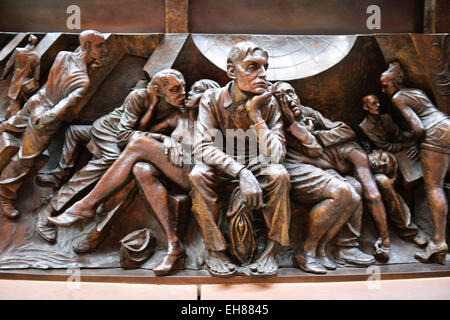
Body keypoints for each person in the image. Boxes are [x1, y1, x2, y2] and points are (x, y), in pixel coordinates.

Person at [48, 79, 220, 275]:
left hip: (195, 176)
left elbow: (216, 157)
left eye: (196, 91)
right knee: (140, 168)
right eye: (190, 89)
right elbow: (139, 137)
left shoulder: (212, 124)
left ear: (208, 97)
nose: (188, 93)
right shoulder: (177, 118)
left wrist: (179, 147)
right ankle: (174, 246)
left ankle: (87, 205)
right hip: (171, 175)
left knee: (139, 145)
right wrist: (165, 139)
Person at [35, 69, 186, 244]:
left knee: (131, 171)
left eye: (183, 87)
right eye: (175, 89)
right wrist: (159, 135)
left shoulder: (177, 108)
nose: (183, 93)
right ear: (158, 91)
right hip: (109, 131)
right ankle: (48, 210)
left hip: (134, 143)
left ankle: (97, 226)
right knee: (114, 162)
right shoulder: (138, 97)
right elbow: (123, 135)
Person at [188, 41, 291, 277]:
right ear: (232, 71)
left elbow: (277, 155)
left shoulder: (269, 103)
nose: (262, 74)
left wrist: (256, 114)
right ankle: (215, 251)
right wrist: (241, 172)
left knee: (280, 175)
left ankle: (272, 251)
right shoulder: (211, 99)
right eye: (252, 67)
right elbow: (202, 147)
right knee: (197, 175)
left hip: (260, 163)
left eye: (265, 67)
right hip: (224, 165)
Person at [0, 30, 107, 219]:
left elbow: (59, 81)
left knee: (7, 126)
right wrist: (45, 119)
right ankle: (4, 195)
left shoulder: (63, 55)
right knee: (24, 159)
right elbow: (63, 106)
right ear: (87, 46)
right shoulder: (83, 81)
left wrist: (89, 64)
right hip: (45, 118)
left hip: (36, 101)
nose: (104, 50)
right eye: (99, 46)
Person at [274, 81, 375, 273]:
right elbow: (314, 150)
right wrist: (295, 128)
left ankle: (344, 247)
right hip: (293, 169)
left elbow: (346, 131)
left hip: (318, 169)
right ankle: (307, 252)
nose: (289, 100)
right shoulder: (277, 119)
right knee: (342, 191)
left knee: (355, 188)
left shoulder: (307, 113)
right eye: (281, 96)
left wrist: (317, 135)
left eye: (291, 93)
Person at [380, 61, 450, 264]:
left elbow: (418, 128)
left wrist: (417, 145)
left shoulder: (398, 97)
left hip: (433, 134)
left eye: (386, 85)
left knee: (435, 188)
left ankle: (439, 241)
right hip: (446, 125)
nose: (384, 90)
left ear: (394, 82)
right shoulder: (415, 91)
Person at [34, 80, 148, 189]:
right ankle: (60, 175)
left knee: (109, 158)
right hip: (102, 129)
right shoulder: (133, 99)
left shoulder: (139, 103)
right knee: (73, 131)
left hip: (111, 136)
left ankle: (75, 186)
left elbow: (127, 131)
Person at [359, 94, 427, 247]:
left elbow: (399, 136)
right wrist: (404, 147)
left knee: (417, 174)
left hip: (398, 154)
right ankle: (408, 231)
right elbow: (384, 147)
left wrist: (412, 139)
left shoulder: (387, 118)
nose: (377, 106)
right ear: (365, 107)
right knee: (385, 182)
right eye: (373, 104)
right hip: (382, 161)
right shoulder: (364, 127)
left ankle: (423, 224)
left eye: (378, 103)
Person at [0, 34, 40, 120]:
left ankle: (11, 122)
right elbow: (36, 76)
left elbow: (9, 65)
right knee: (19, 104)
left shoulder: (18, 51)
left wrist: (3, 76)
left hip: (16, 82)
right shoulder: (36, 57)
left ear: (28, 41)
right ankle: (8, 119)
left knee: (15, 104)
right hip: (27, 85)